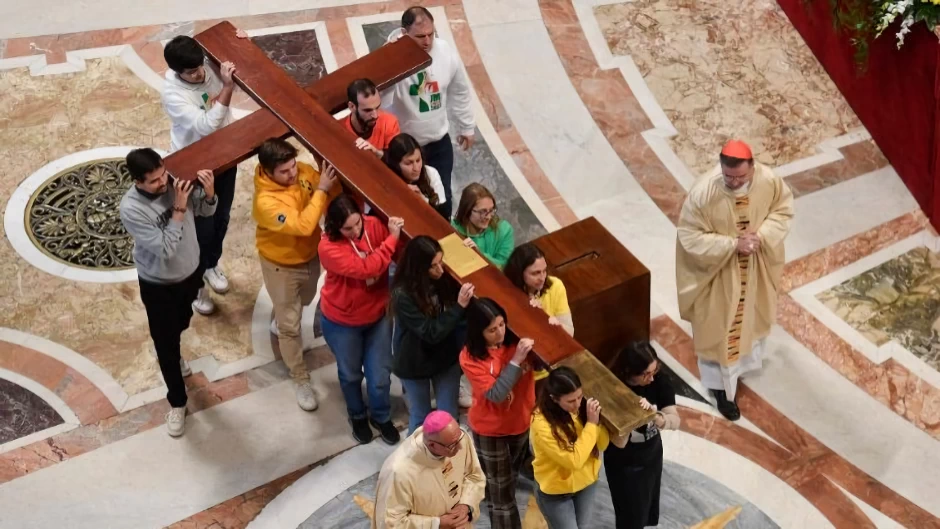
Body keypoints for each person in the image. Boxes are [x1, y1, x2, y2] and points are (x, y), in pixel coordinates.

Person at [676, 140, 794, 421]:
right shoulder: (704, 192)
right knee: (720, 332)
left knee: (750, 322)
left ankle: (743, 370)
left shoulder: (769, 181)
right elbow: (689, 235)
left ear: (752, 167)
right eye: (728, 176)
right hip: (720, 275)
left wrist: (761, 236)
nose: (733, 182)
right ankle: (722, 391)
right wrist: (731, 245)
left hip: (754, 270)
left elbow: (783, 210)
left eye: (740, 176)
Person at [119, 148, 217, 437]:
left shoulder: (173, 180)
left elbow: (205, 210)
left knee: (183, 321)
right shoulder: (131, 209)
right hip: (158, 283)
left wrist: (209, 194)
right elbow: (164, 249)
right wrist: (179, 207)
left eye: (163, 175)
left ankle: (172, 350)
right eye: (154, 181)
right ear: (138, 181)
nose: (163, 184)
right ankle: (177, 401)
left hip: (190, 271)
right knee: (165, 344)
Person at [252, 138, 341, 411]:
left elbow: (329, 190)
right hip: (282, 266)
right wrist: (323, 190)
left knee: (305, 299)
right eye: (284, 171)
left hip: (310, 257)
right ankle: (300, 379)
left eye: (292, 166)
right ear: (268, 171)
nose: (292, 174)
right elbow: (303, 225)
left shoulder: (301, 171)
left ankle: (283, 316)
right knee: (290, 327)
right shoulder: (265, 202)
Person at [162, 34, 240, 315]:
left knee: (222, 216)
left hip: (224, 155)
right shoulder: (173, 94)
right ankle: (195, 286)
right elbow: (206, 125)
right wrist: (227, 88)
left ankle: (210, 265)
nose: (200, 74)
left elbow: (233, 50)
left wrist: (241, 41)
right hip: (194, 166)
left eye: (200, 67)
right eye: (192, 72)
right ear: (177, 71)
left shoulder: (205, 62)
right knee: (197, 230)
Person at [318, 194, 403, 445]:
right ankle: (357, 415)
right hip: (342, 322)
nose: (356, 231)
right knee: (351, 374)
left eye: (358, 224)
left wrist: (394, 237)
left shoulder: (374, 226)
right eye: (348, 228)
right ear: (335, 226)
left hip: (377, 316)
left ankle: (380, 416)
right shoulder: (328, 247)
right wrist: (392, 240)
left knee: (380, 376)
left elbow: (396, 253)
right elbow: (368, 269)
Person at [382, 6, 476, 219]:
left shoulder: (445, 52)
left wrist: (467, 126)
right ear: (404, 34)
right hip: (405, 148)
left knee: (443, 198)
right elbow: (382, 99)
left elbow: (459, 91)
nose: (427, 41)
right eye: (420, 36)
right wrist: (390, 61)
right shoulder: (391, 55)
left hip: (438, 142)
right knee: (407, 203)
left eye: (430, 34)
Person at [459, 298, 537, 529]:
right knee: (502, 498)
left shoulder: (516, 340)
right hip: (491, 431)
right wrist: (516, 361)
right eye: (492, 330)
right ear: (478, 331)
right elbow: (495, 394)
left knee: (509, 480)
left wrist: (545, 321)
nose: (500, 333)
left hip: (520, 423)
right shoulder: (470, 357)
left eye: (502, 324)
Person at [391, 236, 474, 433]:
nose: (440, 270)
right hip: (415, 361)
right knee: (421, 419)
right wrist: (459, 307)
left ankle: (448, 459)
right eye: (433, 266)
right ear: (419, 269)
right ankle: (417, 462)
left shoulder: (441, 277)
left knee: (448, 417)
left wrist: (469, 254)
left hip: (444, 358)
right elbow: (430, 332)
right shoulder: (402, 294)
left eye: (440, 262)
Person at [604, 342, 679, 529]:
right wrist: (633, 413)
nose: (651, 378)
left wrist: (656, 417)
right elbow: (618, 443)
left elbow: (675, 420)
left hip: (652, 454)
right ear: (630, 371)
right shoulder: (613, 389)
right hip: (624, 463)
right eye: (646, 374)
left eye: (654, 371)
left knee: (649, 508)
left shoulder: (659, 379)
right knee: (630, 516)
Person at [373, 410, 486, 529]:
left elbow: (474, 476)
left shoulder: (458, 439)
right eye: (452, 446)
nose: (460, 447)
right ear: (432, 445)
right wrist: (436, 524)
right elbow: (393, 522)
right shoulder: (399, 471)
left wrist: (466, 504)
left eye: (460, 439)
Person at [530, 367, 608, 529]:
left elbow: (602, 444)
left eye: (580, 397)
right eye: (571, 401)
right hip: (556, 491)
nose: (578, 404)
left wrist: (595, 423)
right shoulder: (541, 423)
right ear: (554, 399)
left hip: (587, 482)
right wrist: (592, 425)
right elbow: (573, 460)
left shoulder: (583, 408)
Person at [504, 243, 573, 336]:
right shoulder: (507, 290)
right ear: (520, 273)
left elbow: (570, 332)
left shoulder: (555, 285)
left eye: (544, 271)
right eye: (535, 273)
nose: (542, 278)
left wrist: (549, 321)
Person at [384, 133, 448, 219]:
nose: (416, 168)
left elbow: (444, 216)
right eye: (409, 163)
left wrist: (422, 200)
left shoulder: (431, 173)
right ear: (396, 164)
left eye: (418, 160)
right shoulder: (388, 178)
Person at [451, 183, 514, 269]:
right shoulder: (452, 228)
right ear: (467, 210)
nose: (488, 217)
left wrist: (479, 254)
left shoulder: (504, 229)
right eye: (482, 212)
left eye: (491, 210)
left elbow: (504, 267)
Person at [342, 78, 400, 158]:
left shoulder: (390, 122)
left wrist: (376, 153)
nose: (375, 115)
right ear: (352, 107)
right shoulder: (339, 130)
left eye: (377, 107)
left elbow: (397, 161)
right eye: (368, 110)